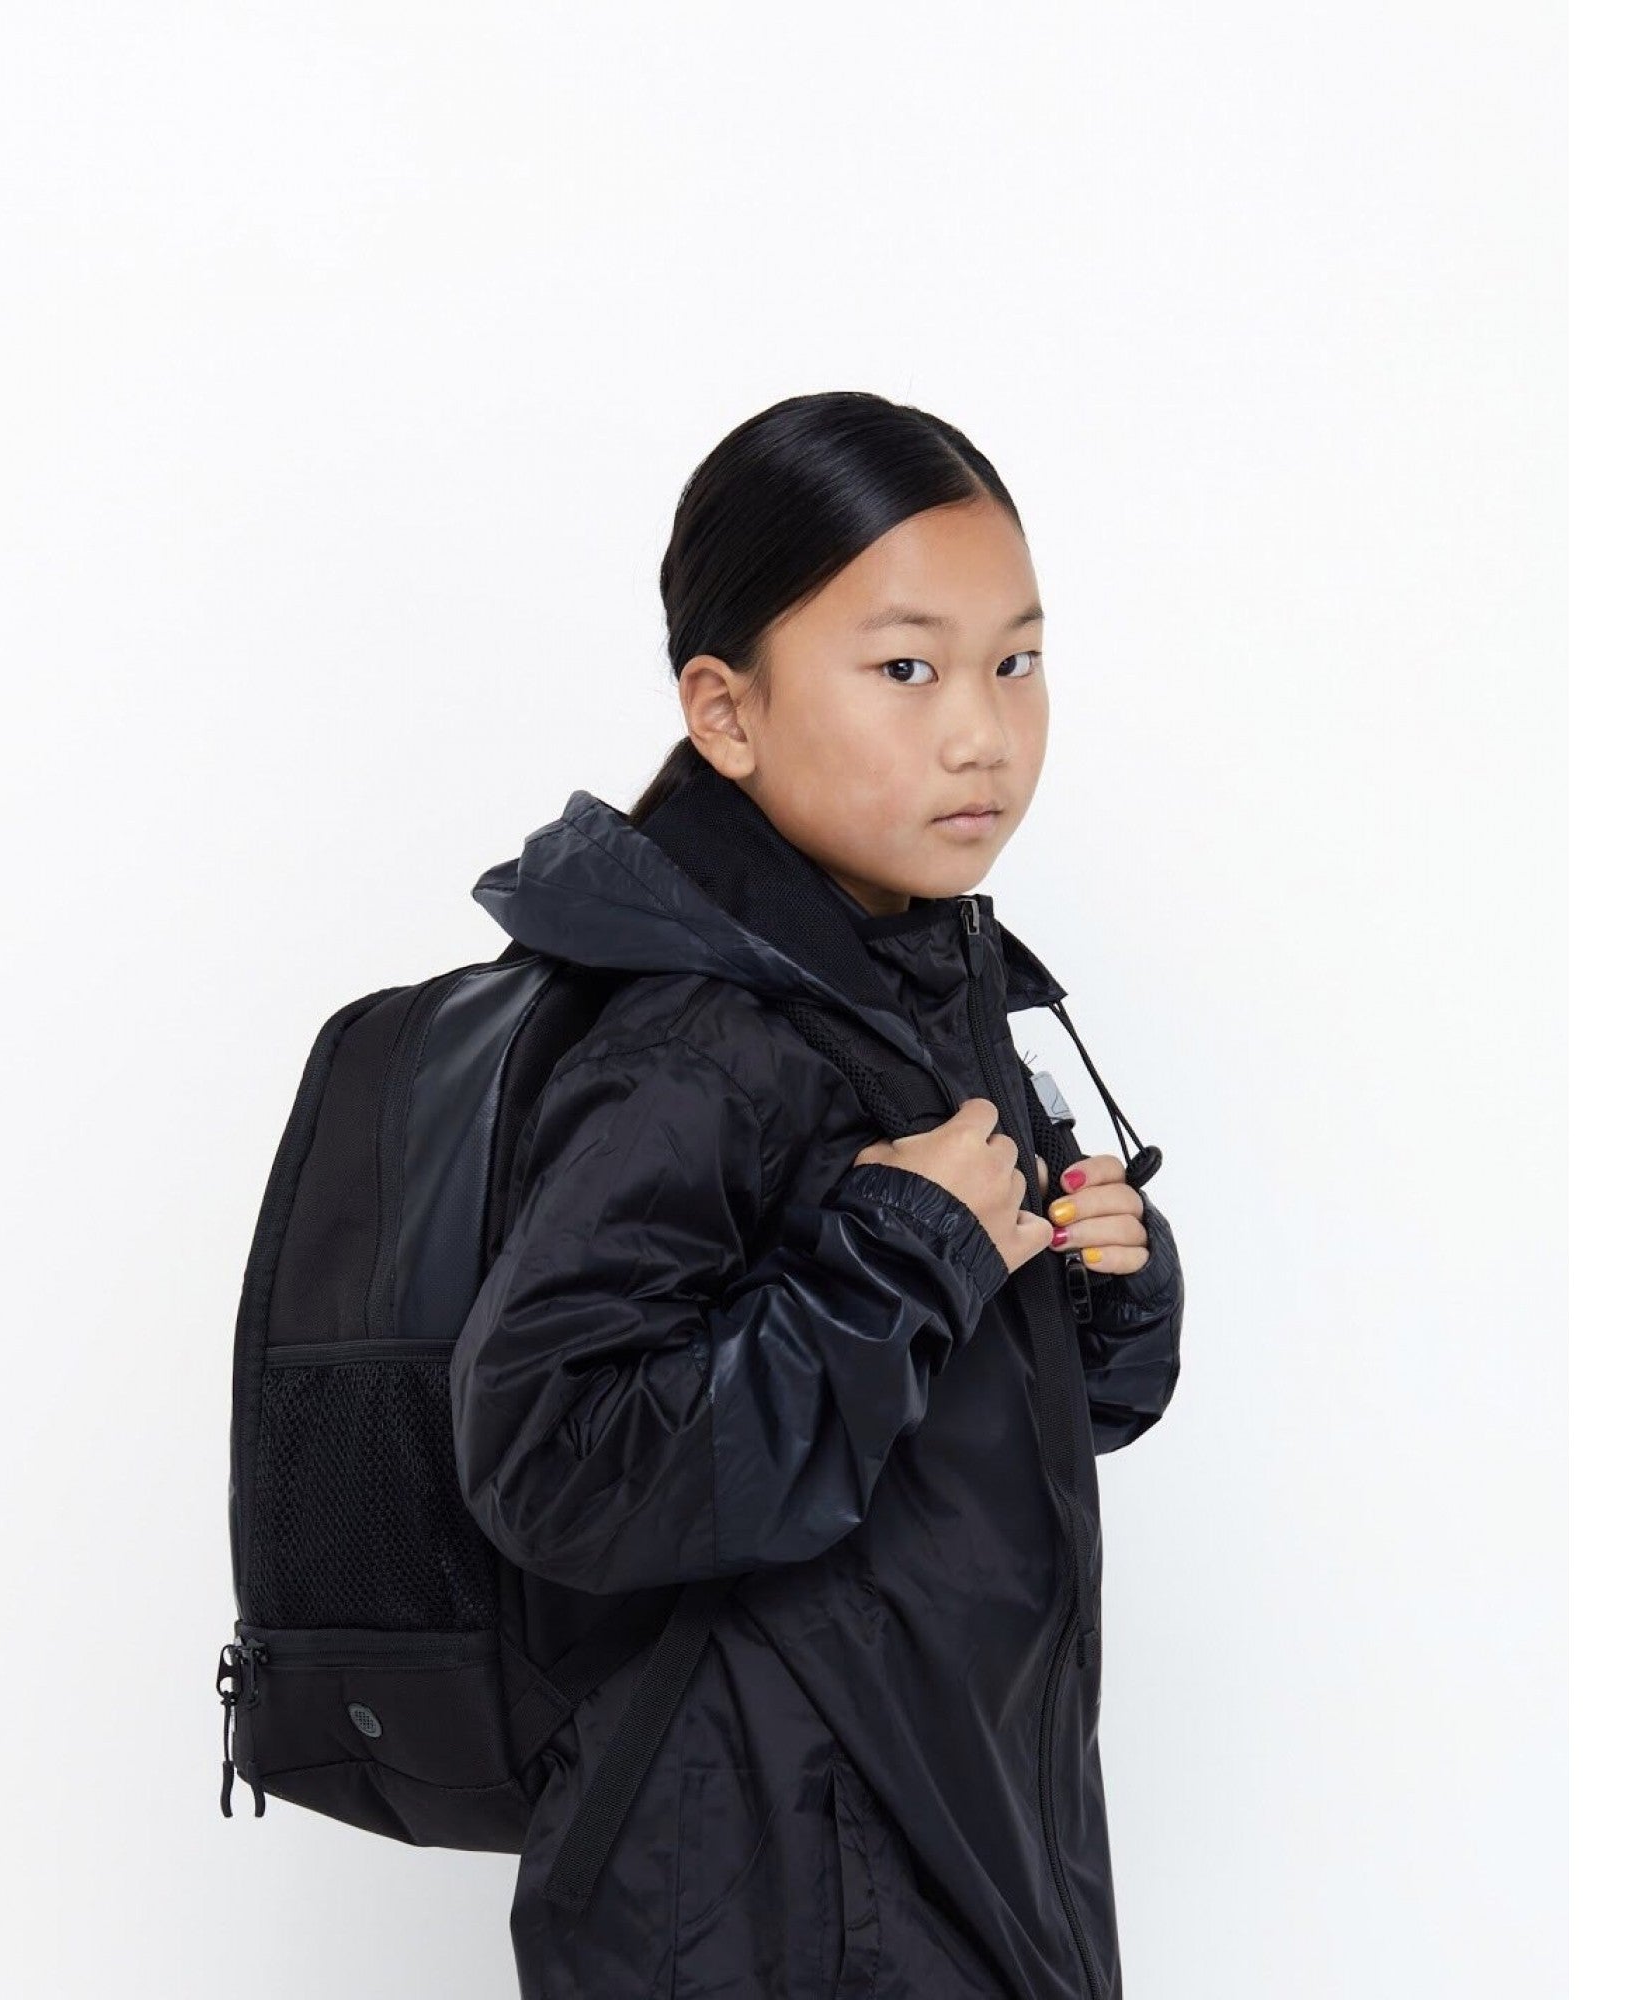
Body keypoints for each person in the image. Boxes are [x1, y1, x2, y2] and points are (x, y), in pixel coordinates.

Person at [450, 389, 1186, 2000]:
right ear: (726, 713)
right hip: (767, 1895)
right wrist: (902, 1260)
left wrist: (1100, 1292)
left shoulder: (920, 982)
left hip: (957, 1840)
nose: (982, 731)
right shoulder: (697, 1041)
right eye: (907, 669)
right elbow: (555, 1463)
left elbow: (995, 1429)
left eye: (1017, 661)